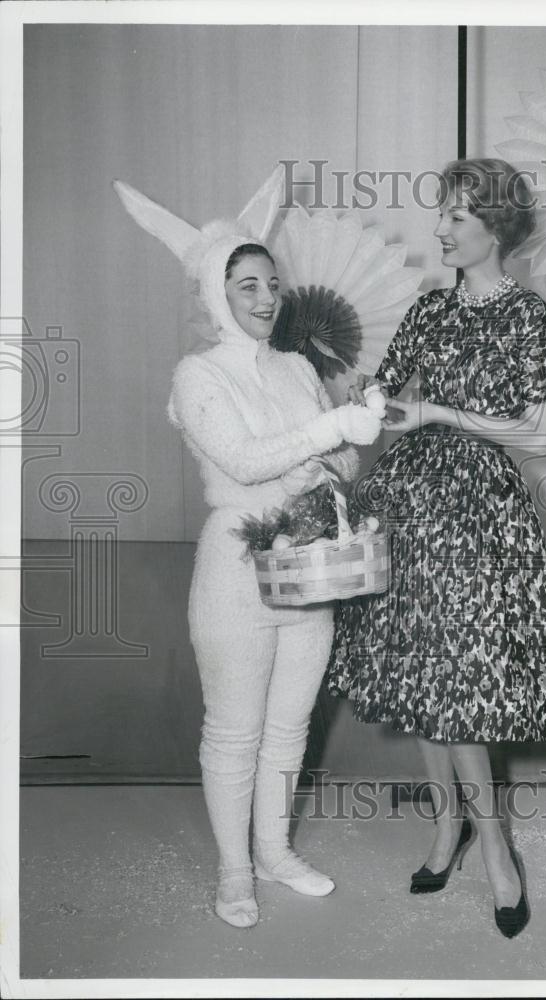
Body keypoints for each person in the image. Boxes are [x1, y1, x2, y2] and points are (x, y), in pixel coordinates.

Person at [114, 174, 383, 929]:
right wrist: (330, 435)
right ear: (213, 290)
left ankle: (274, 850)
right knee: (234, 728)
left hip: (311, 565)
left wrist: (348, 442)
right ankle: (234, 869)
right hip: (237, 574)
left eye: (271, 283)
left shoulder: (297, 366)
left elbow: (331, 462)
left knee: (290, 726)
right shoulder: (197, 374)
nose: (266, 298)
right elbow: (243, 461)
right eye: (247, 285)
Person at [326, 158, 546, 939]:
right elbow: (389, 402)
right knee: (425, 677)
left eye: (458, 215)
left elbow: (542, 434)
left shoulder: (527, 316)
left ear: (496, 226)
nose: (441, 226)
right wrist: (363, 400)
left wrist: (440, 411)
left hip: (478, 514)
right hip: (404, 507)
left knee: (460, 682)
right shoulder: (428, 310)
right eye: (442, 212)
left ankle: (492, 843)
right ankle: (448, 826)